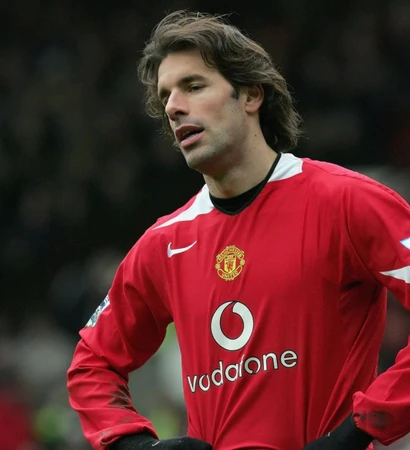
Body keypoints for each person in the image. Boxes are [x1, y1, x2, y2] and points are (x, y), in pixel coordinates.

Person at [67, 10, 410, 450]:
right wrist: (134, 445)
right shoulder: (163, 244)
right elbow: (92, 364)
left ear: (250, 95)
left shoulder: (346, 202)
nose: (173, 107)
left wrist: (357, 431)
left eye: (193, 86)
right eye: (166, 95)